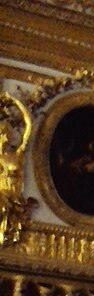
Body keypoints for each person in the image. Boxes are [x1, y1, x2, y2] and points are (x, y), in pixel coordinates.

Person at [0, 94, 34, 246]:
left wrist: (17, 102)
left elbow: (29, 126)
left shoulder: (17, 154)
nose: (7, 135)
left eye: (7, 132)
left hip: (15, 196)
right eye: (3, 133)